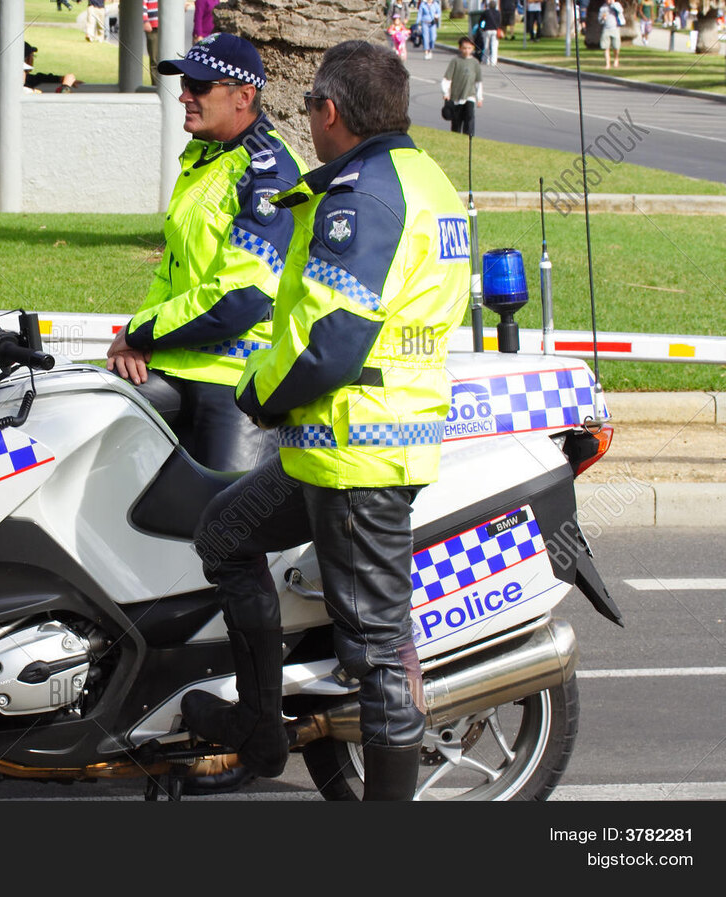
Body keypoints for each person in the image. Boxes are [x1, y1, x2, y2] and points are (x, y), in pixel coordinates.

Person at [180, 38, 468, 799]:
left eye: (307, 104)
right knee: (223, 534)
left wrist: (255, 394)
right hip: (332, 448)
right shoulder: (422, 178)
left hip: (357, 456)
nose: (304, 118)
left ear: (331, 111)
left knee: (375, 650)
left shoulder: (365, 196)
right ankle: (261, 729)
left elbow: (331, 341)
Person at [105, 33, 306, 473]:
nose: (184, 96)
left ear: (243, 96)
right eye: (184, 83)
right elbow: (172, 274)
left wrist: (142, 333)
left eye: (199, 86)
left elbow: (243, 297)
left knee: (227, 531)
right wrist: (134, 343)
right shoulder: (204, 158)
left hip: (234, 382)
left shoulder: (268, 172)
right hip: (172, 368)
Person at [442, 35, 482, 136]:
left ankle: (469, 137)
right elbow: (447, 79)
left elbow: (478, 82)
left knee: (469, 117)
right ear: (460, 48)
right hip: (456, 96)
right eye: (464, 48)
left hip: (469, 95)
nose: (466, 50)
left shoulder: (475, 63)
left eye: (469, 48)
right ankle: (456, 136)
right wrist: (446, 92)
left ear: (473, 48)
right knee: (457, 120)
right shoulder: (455, 61)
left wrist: (479, 98)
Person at [599, 0, 623, 68]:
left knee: (616, 46)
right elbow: (599, 20)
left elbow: (620, 11)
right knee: (606, 47)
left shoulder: (616, 5)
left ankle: (616, 59)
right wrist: (602, 18)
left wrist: (613, 4)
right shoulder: (603, 8)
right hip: (606, 29)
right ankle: (607, 64)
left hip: (615, 28)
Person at [143, 0, 158, 85]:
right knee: (154, 59)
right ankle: (156, 86)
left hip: (165, 25)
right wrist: (145, 21)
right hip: (153, 27)